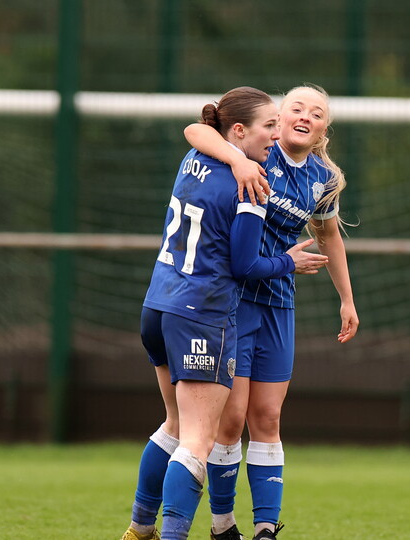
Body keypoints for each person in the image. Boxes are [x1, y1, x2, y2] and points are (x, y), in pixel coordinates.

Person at [121, 87, 329, 540]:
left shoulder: (194, 159)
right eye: (269, 126)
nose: (275, 135)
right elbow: (245, 266)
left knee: (175, 426)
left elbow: (196, 131)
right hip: (202, 311)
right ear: (238, 131)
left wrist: (235, 155)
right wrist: (289, 262)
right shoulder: (251, 184)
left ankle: (139, 528)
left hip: (158, 304)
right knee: (198, 439)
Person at [184, 84, 360, 540]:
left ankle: (265, 529)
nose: (305, 117)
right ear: (278, 119)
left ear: (323, 129)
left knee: (267, 417)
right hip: (237, 298)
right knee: (231, 419)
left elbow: (328, 236)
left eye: (316, 113)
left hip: (279, 303)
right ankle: (223, 525)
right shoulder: (258, 151)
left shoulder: (322, 178)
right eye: (296, 108)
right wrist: (238, 160)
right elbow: (195, 131)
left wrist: (346, 299)